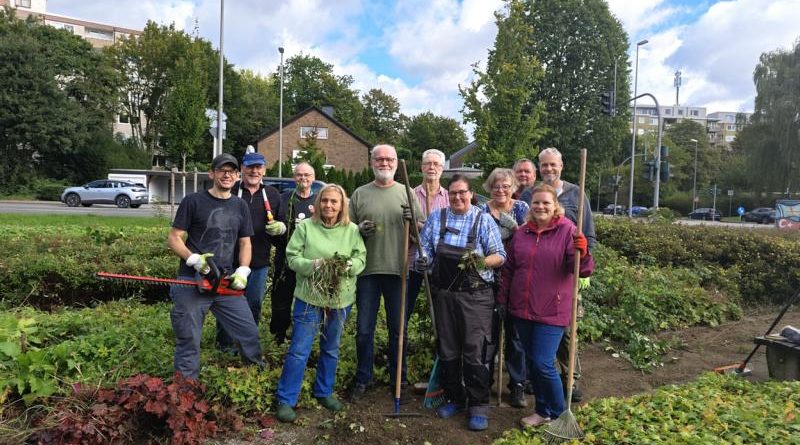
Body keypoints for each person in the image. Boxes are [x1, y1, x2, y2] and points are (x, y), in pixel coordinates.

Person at [497, 184, 594, 428]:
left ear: (555, 207)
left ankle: (561, 414)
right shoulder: (523, 233)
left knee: (542, 362)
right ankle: (542, 410)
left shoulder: (568, 231)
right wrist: (502, 300)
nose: (540, 207)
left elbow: (582, 269)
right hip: (522, 308)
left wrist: (583, 251)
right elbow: (509, 270)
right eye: (537, 203)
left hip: (553, 309)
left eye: (546, 203)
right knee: (531, 363)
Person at [416, 174, 506, 431]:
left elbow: (499, 255)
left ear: (471, 194)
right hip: (444, 294)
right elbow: (425, 253)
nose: (457, 197)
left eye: (462, 192)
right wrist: (421, 262)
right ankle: (455, 397)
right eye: (453, 193)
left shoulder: (483, 219)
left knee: (474, 350)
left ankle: (478, 404)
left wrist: (479, 262)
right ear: (449, 195)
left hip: (476, 296)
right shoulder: (437, 218)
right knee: (448, 349)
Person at [166, 153, 264, 379]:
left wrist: (243, 270)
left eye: (231, 171)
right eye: (222, 170)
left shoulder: (240, 205)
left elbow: (245, 242)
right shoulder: (193, 201)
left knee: (248, 333)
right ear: (212, 173)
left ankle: (256, 378)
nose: (227, 175)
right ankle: (185, 391)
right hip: (192, 282)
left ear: (237, 176)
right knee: (189, 340)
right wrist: (193, 259)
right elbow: (174, 238)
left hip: (225, 282)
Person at [274, 184, 367, 422]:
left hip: (339, 301)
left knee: (331, 348)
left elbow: (361, 258)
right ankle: (286, 399)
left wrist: (348, 266)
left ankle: (324, 391)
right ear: (318, 203)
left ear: (341, 205)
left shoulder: (352, 230)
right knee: (298, 350)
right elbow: (292, 257)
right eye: (325, 200)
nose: (329, 205)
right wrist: (312, 265)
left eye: (334, 202)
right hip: (309, 298)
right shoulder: (305, 227)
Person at [520, 147, 596, 402]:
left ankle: (570, 380)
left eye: (553, 165)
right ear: (539, 168)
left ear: (561, 166)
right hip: (540, 278)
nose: (549, 169)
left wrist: (583, 263)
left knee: (565, 332)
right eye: (544, 166)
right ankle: (540, 378)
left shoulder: (577, 193)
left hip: (568, 276)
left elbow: (589, 235)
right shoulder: (531, 194)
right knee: (538, 331)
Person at [349, 144, 423, 403]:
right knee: (364, 330)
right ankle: (363, 378)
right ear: (372, 162)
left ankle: (398, 378)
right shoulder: (360, 193)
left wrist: (412, 220)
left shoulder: (407, 192)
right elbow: (347, 230)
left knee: (398, 329)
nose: (384, 162)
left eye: (389, 159)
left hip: (398, 270)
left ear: (395, 163)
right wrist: (360, 229)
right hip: (367, 271)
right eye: (379, 158)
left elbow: (421, 230)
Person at [216, 151, 285, 353]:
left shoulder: (272, 194)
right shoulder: (231, 189)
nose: (254, 171)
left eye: (258, 167)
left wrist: (281, 228)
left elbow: (280, 227)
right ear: (242, 170)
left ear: (264, 170)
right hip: (229, 260)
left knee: (253, 304)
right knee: (227, 303)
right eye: (250, 167)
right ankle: (225, 346)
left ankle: (248, 344)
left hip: (259, 261)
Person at [479, 168, 530, 409]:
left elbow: (531, 239)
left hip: (517, 279)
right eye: (496, 186)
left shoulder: (521, 210)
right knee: (488, 333)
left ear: (513, 188)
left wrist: (517, 229)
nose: (501, 190)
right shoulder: (481, 210)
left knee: (516, 336)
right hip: (488, 278)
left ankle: (517, 384)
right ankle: (484, 380)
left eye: (506, 186)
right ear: (490, 187)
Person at [270, 162, 317, 344]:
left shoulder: (320, 201)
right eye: (299, 175)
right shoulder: (284, 199)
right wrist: (276, 232)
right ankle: (278, 335)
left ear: (313, 178)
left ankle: (303, 336)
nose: (303, 178)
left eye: (307, 175)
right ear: (294, 177)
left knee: (308, 300)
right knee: (281, 297)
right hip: (286, 258)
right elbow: (271, 225)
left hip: (310, 259)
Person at [406, 149, 449, 328]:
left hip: (440, 264)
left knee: (442, 315)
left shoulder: (449, 198)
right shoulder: (409, 195)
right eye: (428, 163)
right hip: (411, 262)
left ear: (442, 168)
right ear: (421, 167)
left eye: (436, 164)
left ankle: (441, 354)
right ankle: (401, 354)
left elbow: (451, 231)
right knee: (403, 313)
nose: (432, 167)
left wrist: (423, 228)